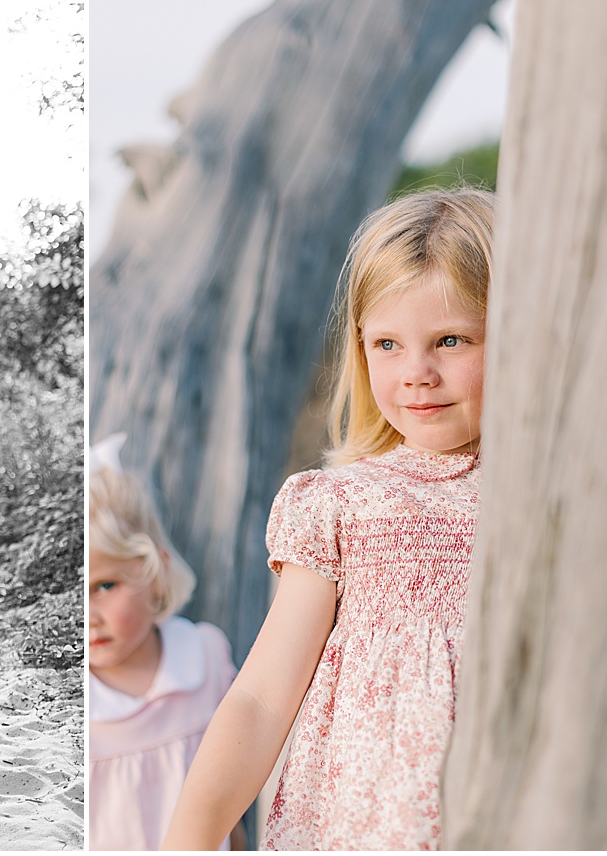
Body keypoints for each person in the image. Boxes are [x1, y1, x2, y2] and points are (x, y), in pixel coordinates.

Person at [163, 189, 492, 850]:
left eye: (450, 339)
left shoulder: (551, 504)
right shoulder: (337, 504)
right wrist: (192, 835)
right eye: (388, 343)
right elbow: (261, 697)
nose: (417, 373)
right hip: (360, 828)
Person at [86, 434, 240, 851]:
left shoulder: (205, 659)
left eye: (104, 585)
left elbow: (232, 799)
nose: (88, 615)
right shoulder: (86, 708)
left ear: (155, 573)